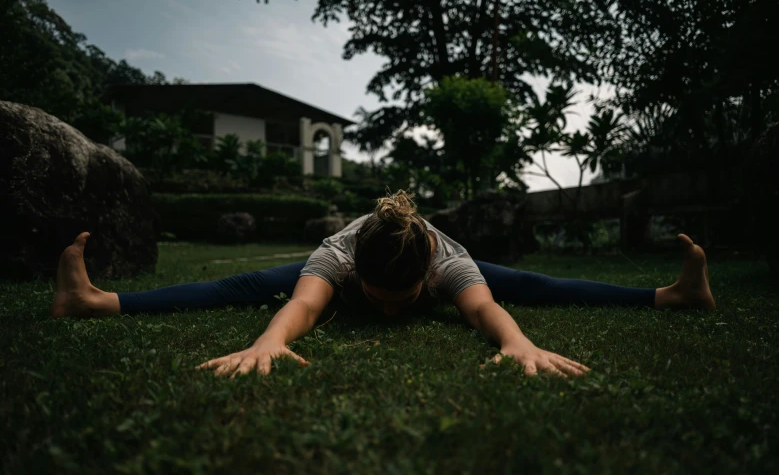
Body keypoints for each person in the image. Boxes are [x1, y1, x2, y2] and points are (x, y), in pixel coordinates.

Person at [50, 190, 716, 378]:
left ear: (424, 274)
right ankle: (94, 300)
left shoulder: (446, 262)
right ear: (357, 277)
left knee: (533, 283)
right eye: (378, 301)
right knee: (250, 283)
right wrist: (268, 343)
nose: (393, 318)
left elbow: (484, 312)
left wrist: (516, 345)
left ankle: (674, 295)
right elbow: (301, 308)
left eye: (402, 305)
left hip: (442, 258)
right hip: (339, 255)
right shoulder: (339, 258)